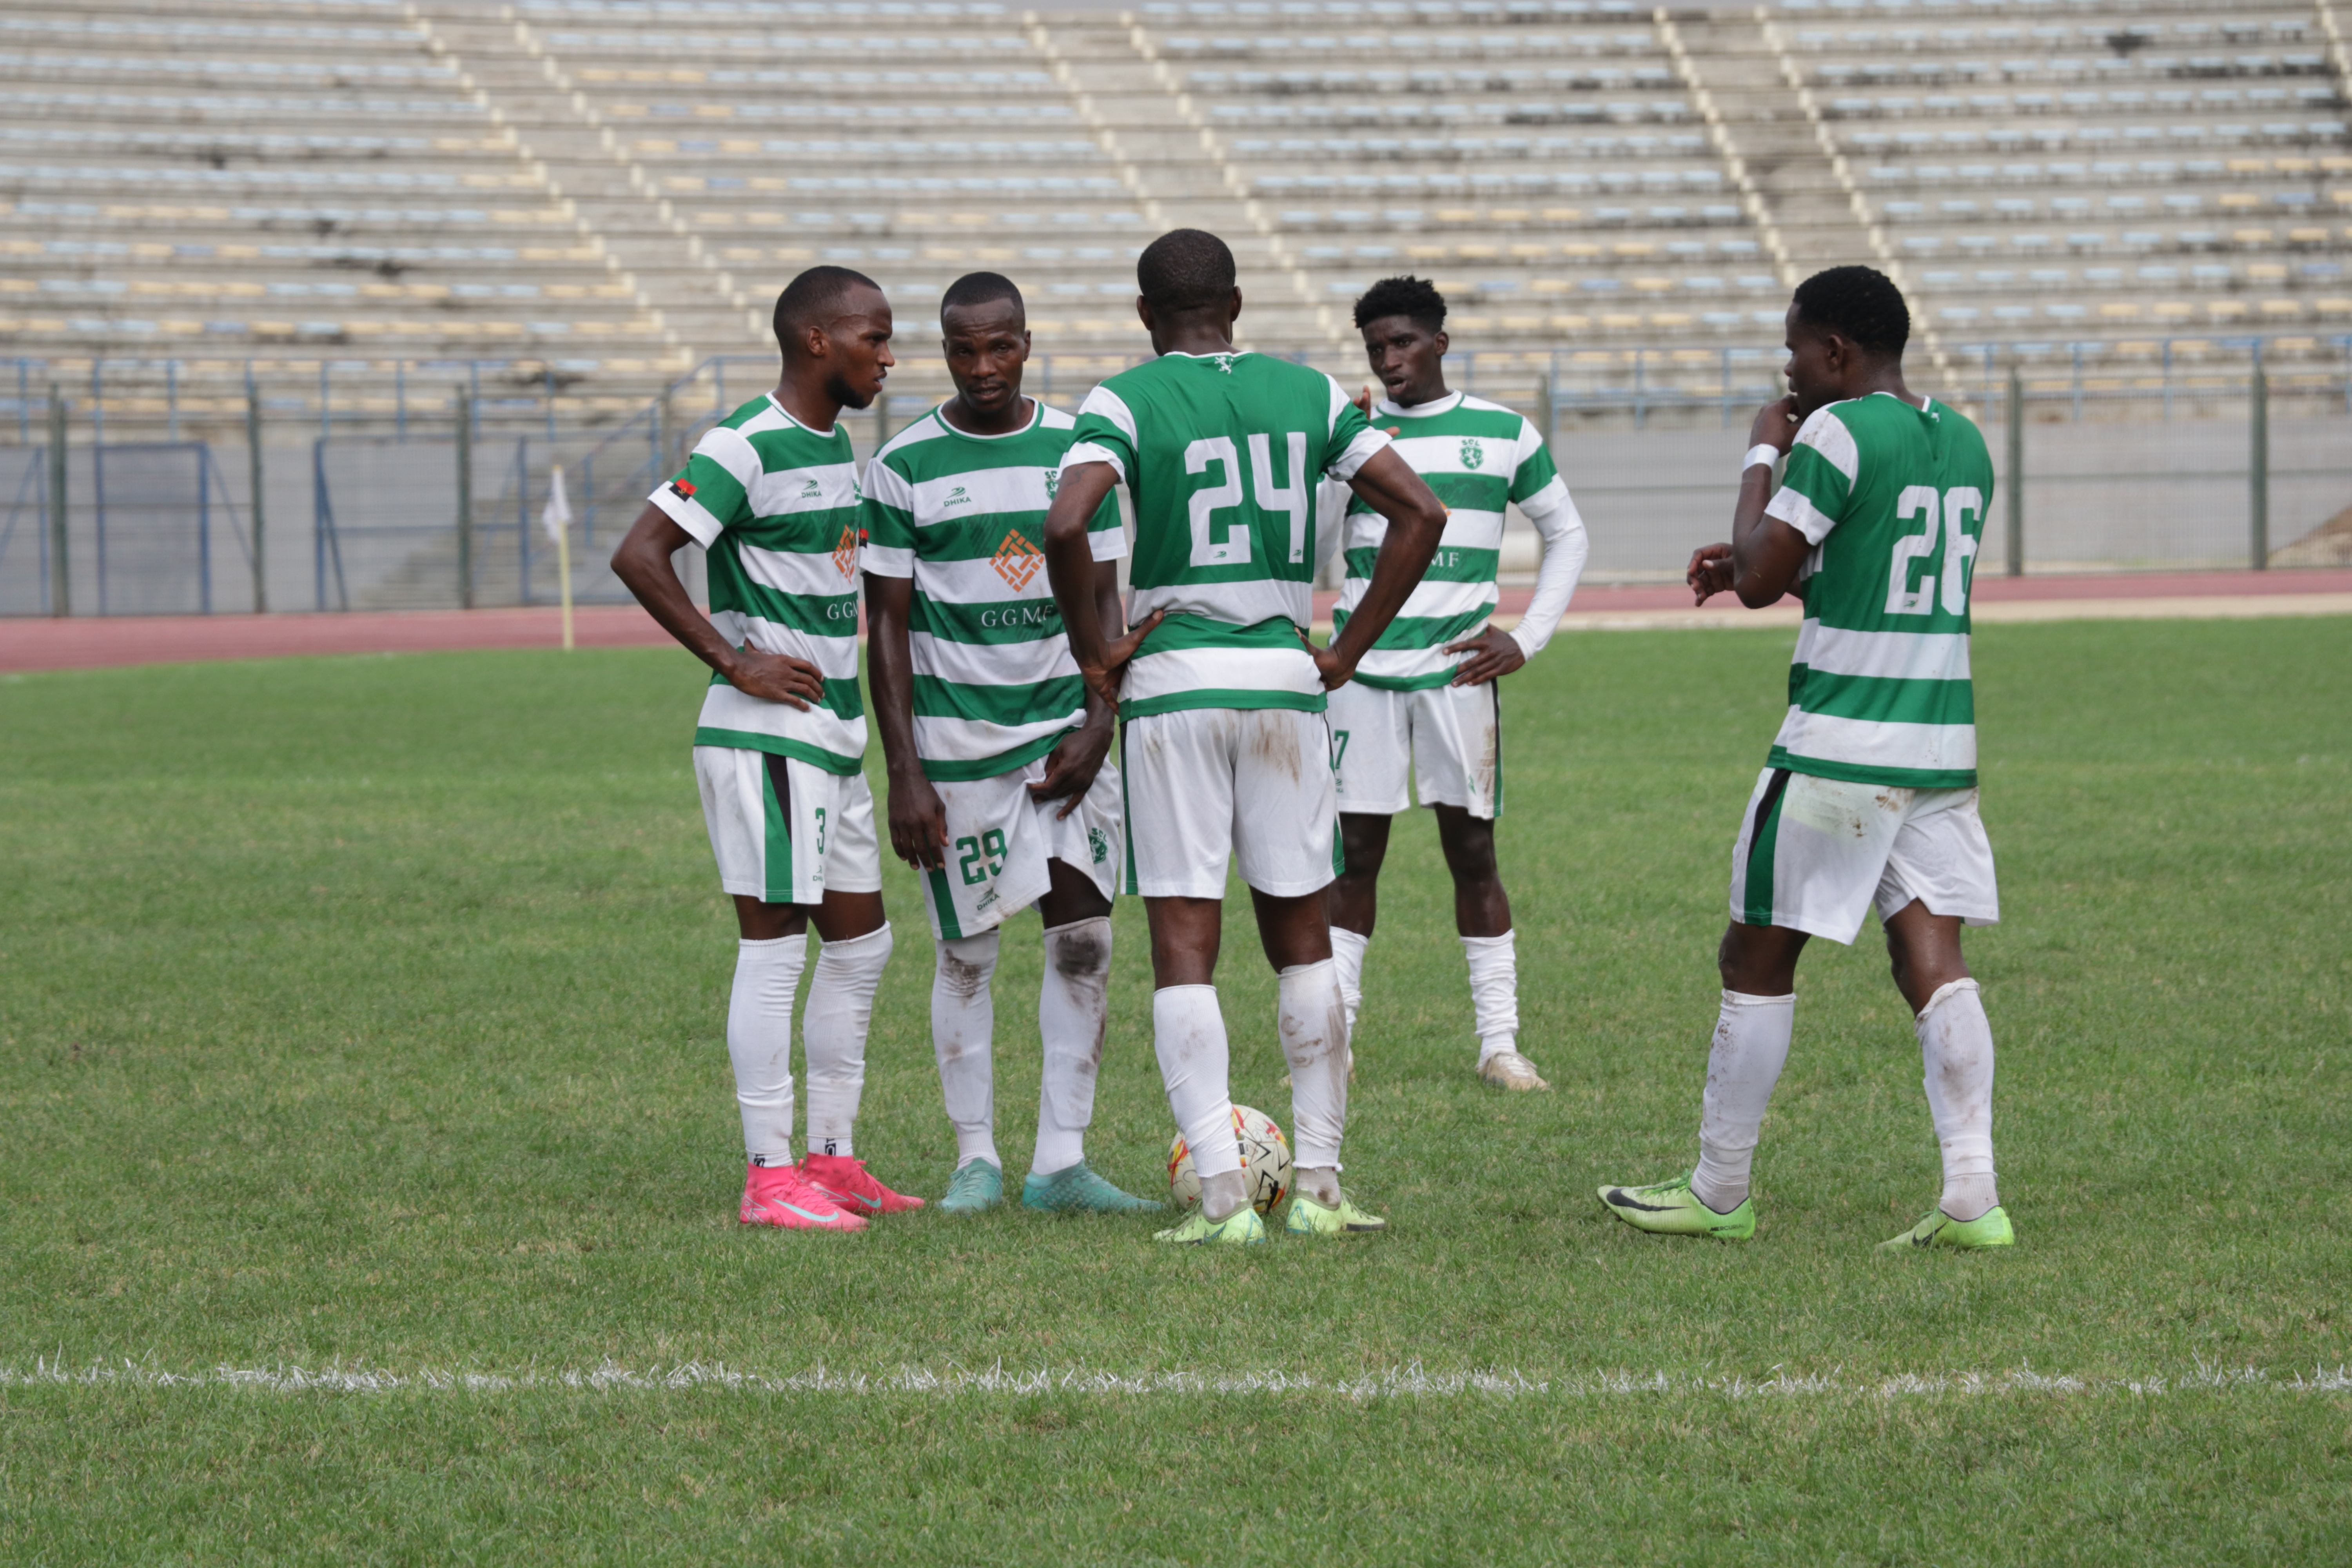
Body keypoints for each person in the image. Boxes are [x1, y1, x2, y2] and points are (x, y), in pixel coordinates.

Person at [1040, 228, 1449, 1245]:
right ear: (1237, 302)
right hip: (1283, 681)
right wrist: (1348, 647)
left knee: (1186, 944)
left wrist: (1098, 654)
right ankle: (1317, 1187)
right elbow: (1420, 512)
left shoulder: (1122, 401)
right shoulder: (1309, 393)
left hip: (1176, 687)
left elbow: (1063, 526)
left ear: (1147, 317)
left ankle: (1223, 1200)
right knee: (1304, 941)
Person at [1598, 265, 2012, 1251]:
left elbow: (1755, 577)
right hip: (1939, 746)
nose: (1788, 370)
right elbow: (1871, 575)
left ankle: (1719, 1188)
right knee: (1936, 962)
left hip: (1838, 746)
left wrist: (1760, 454)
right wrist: (1775, 565)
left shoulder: (1831, 430)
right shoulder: (1963, 439)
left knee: (1757, 951)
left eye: (1795, 349)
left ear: (1836, 351)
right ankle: (1972, 1195)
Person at [610, 265, 922, 1232]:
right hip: (766, 735)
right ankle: (767, 1173)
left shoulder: (841, 454)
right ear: (817, 340)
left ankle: (831, 1156)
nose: (889, 354)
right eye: (874, 336)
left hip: (831, 737)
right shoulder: (744, 443)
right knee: (775, 948)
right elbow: (640, 552)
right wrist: (731, 656)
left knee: (862, 944)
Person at [862, 271, 1160, 1217]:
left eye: (1000, 346)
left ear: (1027, 342)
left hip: (1065, 738)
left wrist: (1098, 723)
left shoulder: (1080, 449)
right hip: (957, 750)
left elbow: (1108, 603)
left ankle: (1060, 1163)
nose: (983, 366)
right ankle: (976, 1159)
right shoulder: (903, 466)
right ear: (942, 349)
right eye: (963, 348)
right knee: (967, 954)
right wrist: (905, 770)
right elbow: (887, 629)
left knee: (1084, 942)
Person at [1323, 276, 1590, 1093]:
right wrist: (1334, 464)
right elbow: (1311, 546)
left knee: (1472, 852)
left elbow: (1567, 532)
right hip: (1361, 672)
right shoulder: (1351, 435)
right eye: (1376, 348)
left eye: (1403, 343)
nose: (1390, 359)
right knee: (1353, 856)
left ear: (1441, 341)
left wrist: (1528, 637)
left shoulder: (1501, 431)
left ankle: (1499, 1043)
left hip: (1457, 672)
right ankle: (1338, 1037)